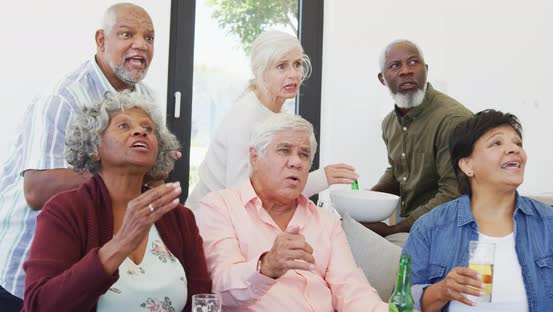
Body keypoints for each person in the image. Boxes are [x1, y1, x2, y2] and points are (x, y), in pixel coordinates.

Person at [0, 3, 157, 309]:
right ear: (101, 40)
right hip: (23, 271)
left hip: (90, 271)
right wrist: (119, 172)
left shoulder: (145, 97)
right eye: (127, 34)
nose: (141, 44)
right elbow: (36, 190)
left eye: (149, 38)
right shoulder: (62, 96)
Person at [23, 92, 211, 311]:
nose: (140, 131)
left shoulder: (179, 218)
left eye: (148, 129)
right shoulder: (65, 210)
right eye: (123, 126)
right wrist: (120, 244)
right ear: (94, 148)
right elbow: (40, 305)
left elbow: (201, 300)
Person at [196, 113, 387, 311]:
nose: (296, 162)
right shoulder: (220, 207)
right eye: (284, 150)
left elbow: (351, 290)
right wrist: (266, 266)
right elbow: (220, 289)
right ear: (255, 157)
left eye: (304, 154)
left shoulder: (327, 222)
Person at [402, 110, 553, 311]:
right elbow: (401, 304)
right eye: (496, 143)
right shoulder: (429, 227)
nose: (513, 149)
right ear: (467, 165)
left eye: (517, 143)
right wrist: (442, 291)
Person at [186, 30, 357, 209]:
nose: (293, 74)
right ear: (261, 71)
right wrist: (320, 178)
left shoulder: (277, 116)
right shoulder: (245, 117)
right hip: (208, 222)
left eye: (297, 64)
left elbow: (273, 185)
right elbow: (241, 196)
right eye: (282, 66)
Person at [365, 39, 472, 237]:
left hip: (451, 233)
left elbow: (453, 194)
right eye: (395, 65)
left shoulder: (453, 120)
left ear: (426, 69)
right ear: (382, 78)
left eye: (413, 62)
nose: (406, 70)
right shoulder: (390, 123)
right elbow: (398, 172)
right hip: (411, 229)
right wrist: (364, 203)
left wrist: (394, 230)